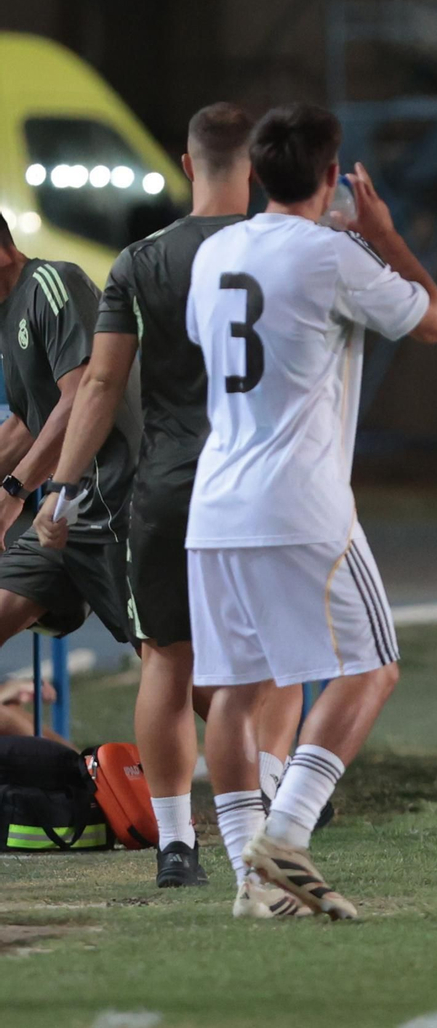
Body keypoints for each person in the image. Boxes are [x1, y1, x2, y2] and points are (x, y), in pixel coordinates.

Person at [183, 104, 437, 920]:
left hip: (217, 501)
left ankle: (250, 881)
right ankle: (287, 837)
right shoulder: (334, 253)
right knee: (372, 666)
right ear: (333, 176)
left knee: (234, 687)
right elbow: (433, 318)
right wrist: (384, 232)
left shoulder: (215, 251)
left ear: (257, 174)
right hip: (301, 502)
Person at [35, 103, 303, 900]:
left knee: (166, 656)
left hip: (172, 481)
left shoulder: (140, 260)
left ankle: (176, 843)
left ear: (187, 165)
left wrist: (62, 486)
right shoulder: (283, 251)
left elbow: (105, 383)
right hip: (262, 479)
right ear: (253, 167)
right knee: (279, 654)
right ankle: (272, 811)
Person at [0, 221, 141, 736]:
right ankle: (54, 773)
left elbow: (80, 394)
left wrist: (14, 491)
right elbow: (24, 423)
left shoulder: (52, 285)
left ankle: (274, 771)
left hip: (113, 506)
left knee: (170, 664)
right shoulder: (4, 314)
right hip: (58, 522)